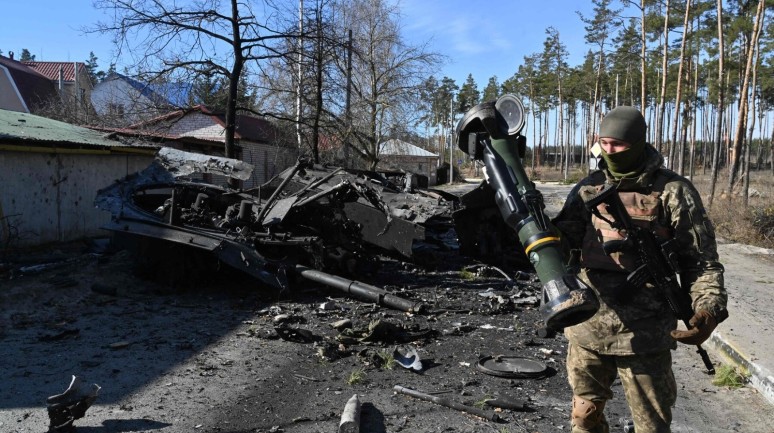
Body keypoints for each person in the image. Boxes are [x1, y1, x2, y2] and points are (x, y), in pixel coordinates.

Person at [551, 106, 728, 433]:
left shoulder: (674, 191)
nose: (609, 151)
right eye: (603, 143)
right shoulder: (588, 188)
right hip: (588, 328)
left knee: (652, 426)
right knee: (584, 419)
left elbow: (700, 260)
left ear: (638, 142)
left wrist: (708, 309)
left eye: (618, 144)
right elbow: (561, 244)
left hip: (645, 335)